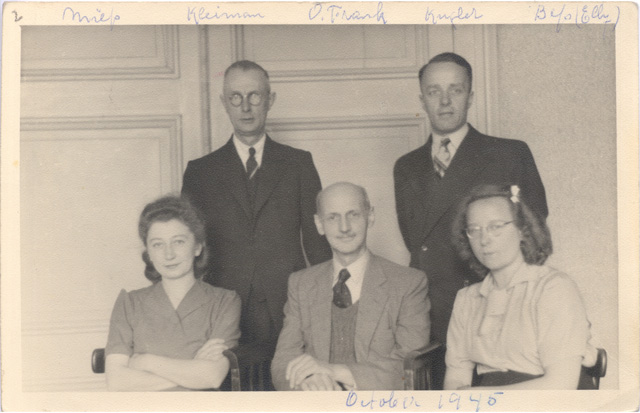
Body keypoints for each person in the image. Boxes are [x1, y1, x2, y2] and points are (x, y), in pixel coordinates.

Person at [394, 52, 549, 350]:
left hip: (495, 307)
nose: (444, 101)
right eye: (433, 91)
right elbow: (414, 241)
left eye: (455, 89)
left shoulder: (509, 154)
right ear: (421, 100)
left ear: (471, 96)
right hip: (431, 316)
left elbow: (533, 236)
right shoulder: (406, 167)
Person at [181, 60, 332, 364]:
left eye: (255, 96)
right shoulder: (200, 173)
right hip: (222, 308)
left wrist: (324, 308)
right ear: (225, 103)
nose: (246, 107)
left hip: (288, 306)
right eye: (236, 97)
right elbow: (189, 252)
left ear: (270, 100)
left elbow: (318, 246)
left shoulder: (298, 164)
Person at [271, 182, 430, 391]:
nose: (344, 227)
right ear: (319, 224)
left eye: (353, 214)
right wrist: (307, 382)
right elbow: (283, 362)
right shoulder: (301, 284)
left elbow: (409, 366)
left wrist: (334, 371)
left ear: (370, 216)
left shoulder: (408, 283)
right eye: (333, 217)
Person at [444, 184, 596, 389]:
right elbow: (456, 379)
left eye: (495, 226)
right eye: (474, 230)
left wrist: (479, 398)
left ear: (522, 230)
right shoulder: (466, 299)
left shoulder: (553, 288)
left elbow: (561, 386)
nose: (484, 239)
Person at [104, 195, 241, 391]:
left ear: (197, 247)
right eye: (158, 244)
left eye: (178, 242)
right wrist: (193, 368)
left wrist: (147, 362)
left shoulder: (225, 302)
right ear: (149, 253)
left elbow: (212, 377)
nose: (169, 254)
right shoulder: (129, 303)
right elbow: (116, 382)